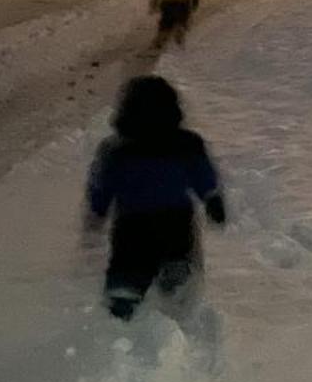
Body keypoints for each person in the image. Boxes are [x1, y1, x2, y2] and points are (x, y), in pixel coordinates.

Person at [84, 76, 225, 319]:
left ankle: (123, 306)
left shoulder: (115, 150)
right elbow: (203, 175)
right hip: (176, 223)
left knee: (127, 270)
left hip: (131, 225)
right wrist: (212, 200)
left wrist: (97, 211)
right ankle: (177, 309)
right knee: (178, 271)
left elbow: (102, 185)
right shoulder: (187, 144)